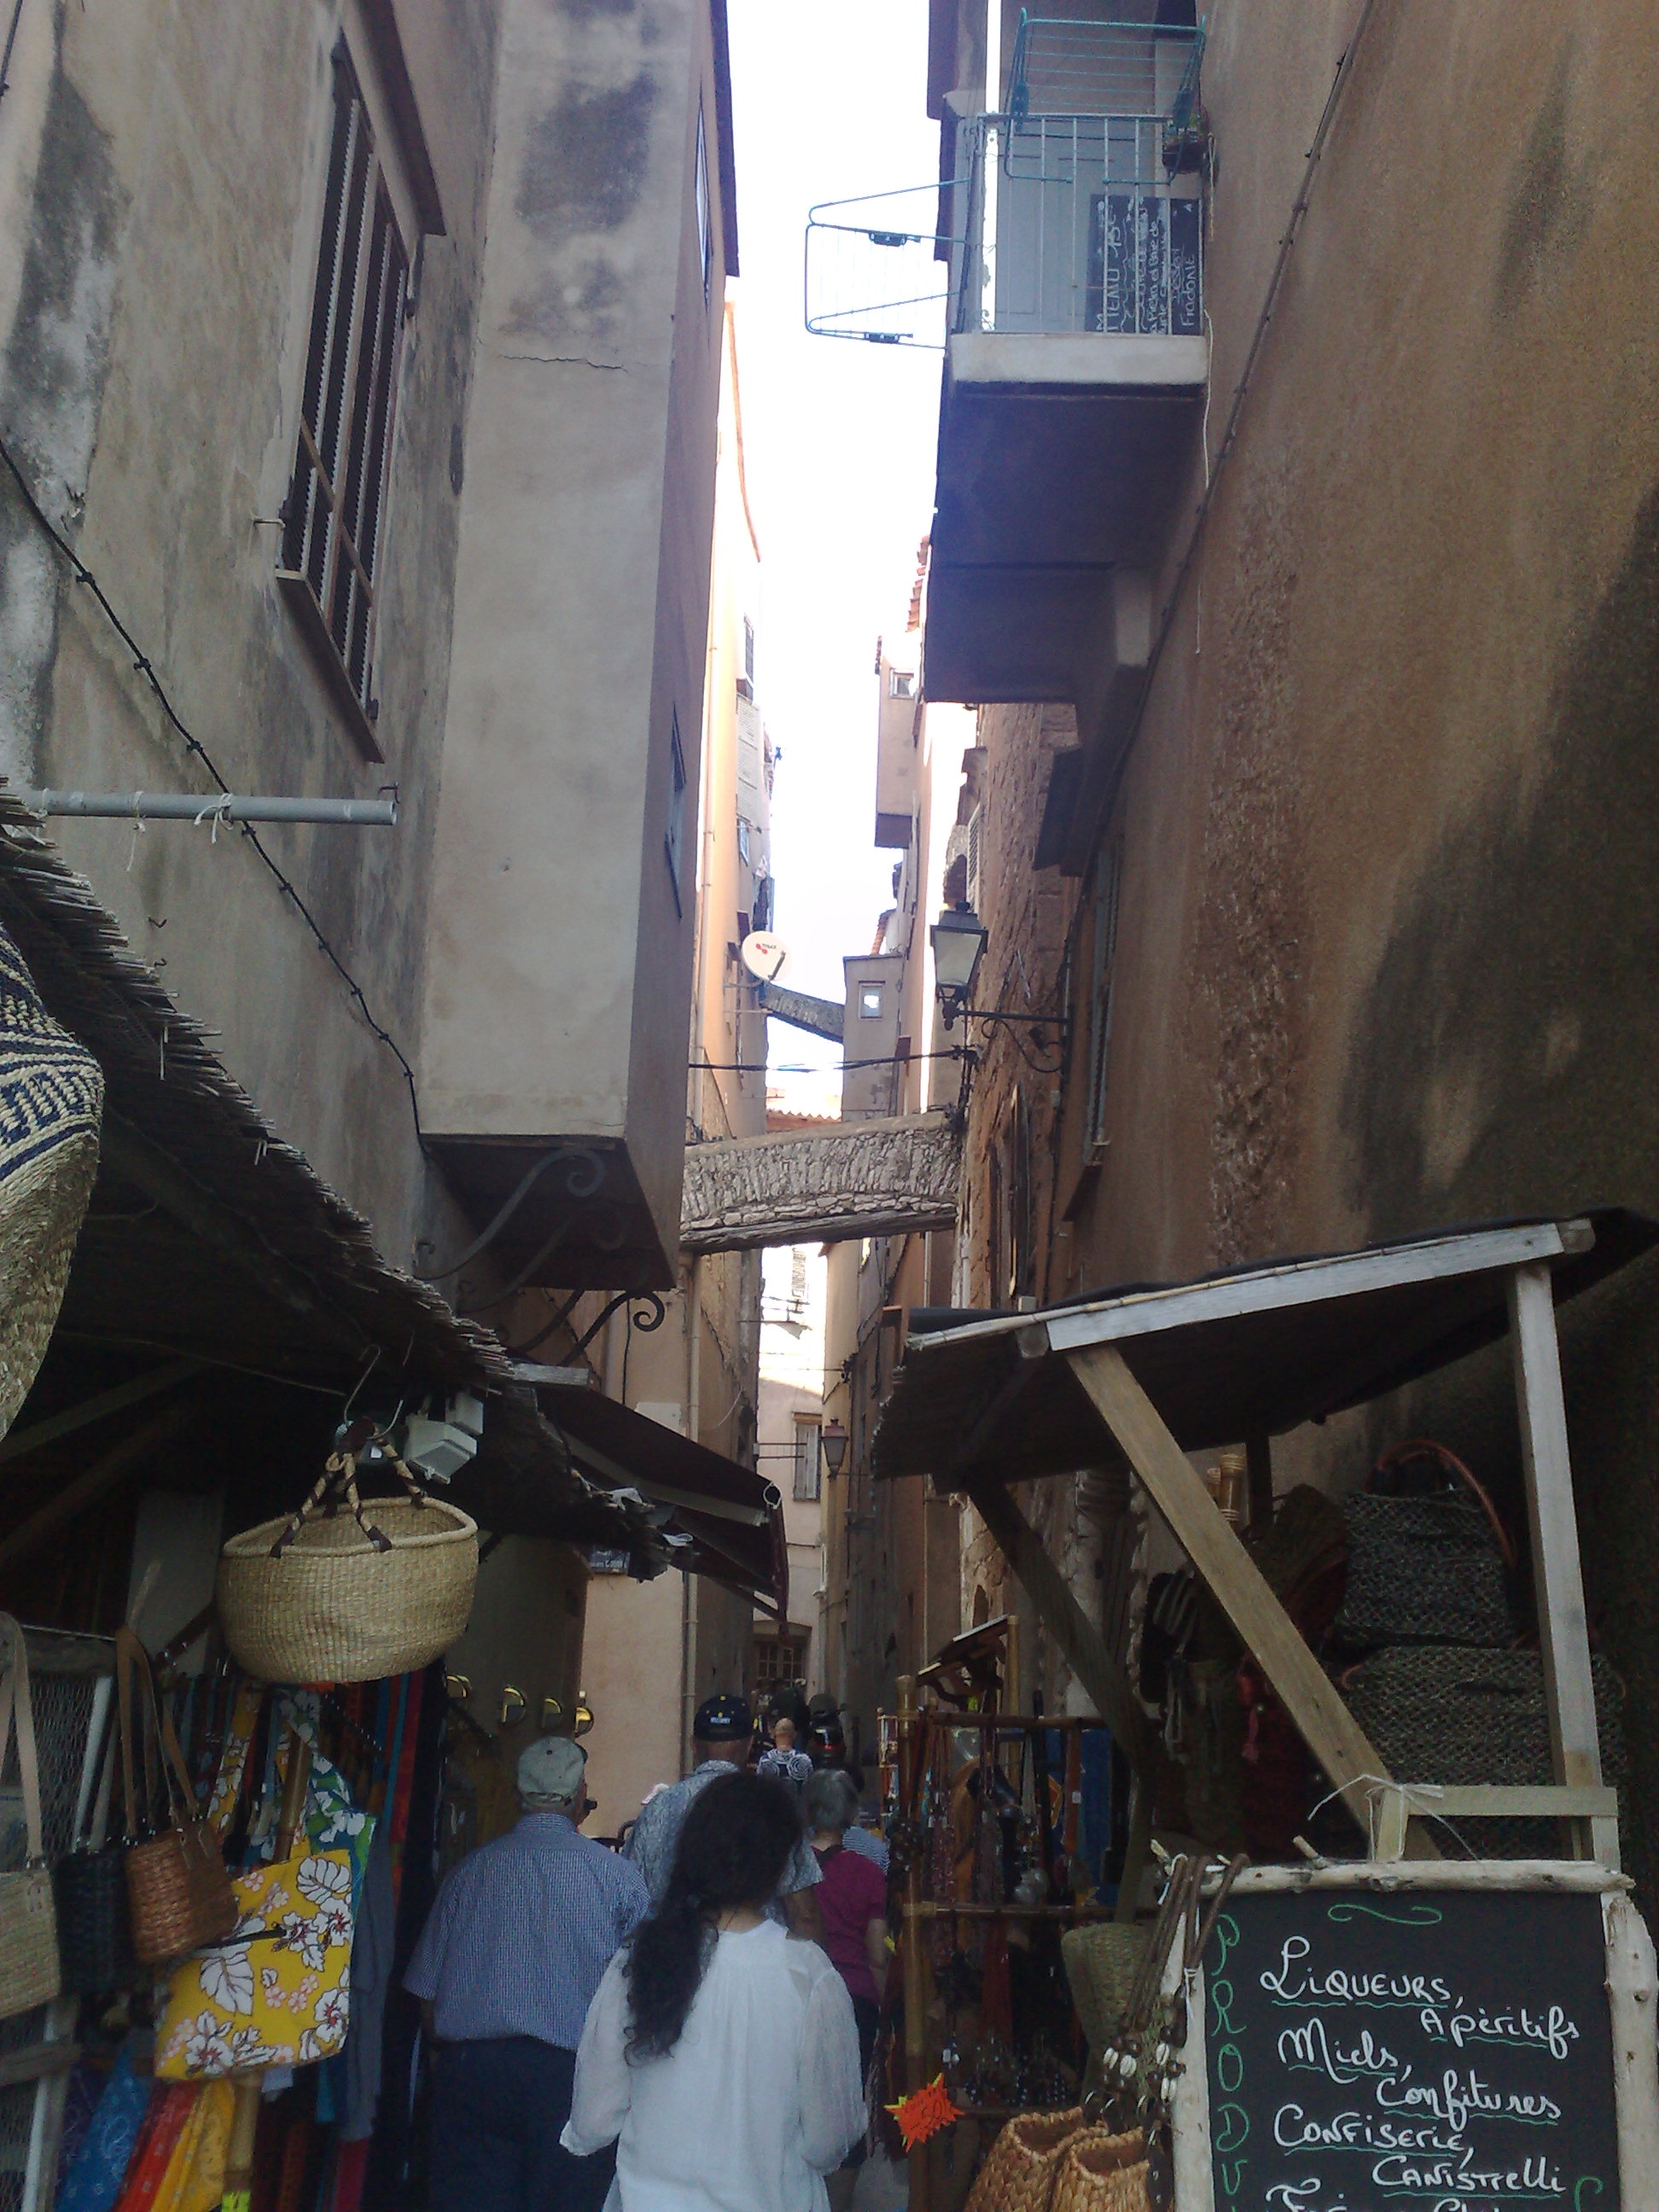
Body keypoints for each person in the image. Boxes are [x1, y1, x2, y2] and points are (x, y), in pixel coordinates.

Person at [563, 1769, 864, 2210]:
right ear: (781, 1866)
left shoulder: (640, 1960)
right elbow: (829, 2140)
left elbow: (592, 2122)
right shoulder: (809, 1977)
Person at [405, 1736, 648, 2212]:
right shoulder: (618, 1879)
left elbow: (425, 1993)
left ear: (518, 1794)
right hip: (572, 2078)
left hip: (473, 2072)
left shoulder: (469, 1873)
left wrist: (450, 2058)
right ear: (579, 1795)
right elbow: (642, 1994)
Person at [626, 1693, 824, 1942]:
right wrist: (812, 1962)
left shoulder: (656, 1809)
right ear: (749, 1745)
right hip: (757, 1960)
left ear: (694, 1745)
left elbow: (632, 1901)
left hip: (672, 1959)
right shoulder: (771, 1808)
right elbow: (804, 1913)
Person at [804, 1769, 889, 2209]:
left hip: (799, 1998)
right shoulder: (869, 1873)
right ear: (851, 1814)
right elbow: (876, 1953)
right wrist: (888, 2008)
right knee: (848, 2107)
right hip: (855, 2000)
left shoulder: (789, 1871)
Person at [757, 1711, 814, 1797]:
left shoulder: (765, 1760)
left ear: (774, 1734)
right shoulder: (804, 1760)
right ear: (795, 1735)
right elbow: (810, 1791)